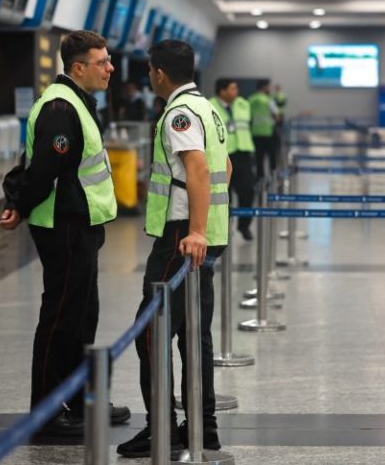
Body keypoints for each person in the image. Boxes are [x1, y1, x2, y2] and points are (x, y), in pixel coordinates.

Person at [0, 30, 130, 435]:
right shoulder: (60, 107)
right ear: (78, 67)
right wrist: (19, 204)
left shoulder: (78, 102)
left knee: (82, 315)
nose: (110, 68)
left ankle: (82, 398)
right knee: (60, 317)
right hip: (65, 225)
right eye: (102, 62)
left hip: (83, 222)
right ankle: (47, 412)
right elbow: (43, 170)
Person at [116, 39, 231, 458]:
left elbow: (198, 169)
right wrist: (208, 229)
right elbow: (226, 167)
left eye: (150, 71)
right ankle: (205, 424)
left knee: (152, 331)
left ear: (159, 73)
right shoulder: (209, 108)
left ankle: (162, 427)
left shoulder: (179, 113)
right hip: (207, 234)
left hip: (182, 237)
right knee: (194, 334)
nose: (149, 77)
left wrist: (195, 230)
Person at [209, 78, 256, 240]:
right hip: (221, 156)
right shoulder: (209, 106)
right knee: (222, 194)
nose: (236, 92)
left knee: (248, 191)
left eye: (236, 88)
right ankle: (222, 229)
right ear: (222, 91)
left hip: (243, 154)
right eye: (232, 89)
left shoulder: (244, 104)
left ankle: (244, 226)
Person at [249, 79, 280, 180]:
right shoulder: (268, 100)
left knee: (259, 158)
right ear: (264, 87)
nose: (269, 89)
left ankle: (260, 178)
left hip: (255, 133)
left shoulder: (250, 99)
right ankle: (273, 177)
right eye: (268, 87)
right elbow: (277, 116)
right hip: (268, 133)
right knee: (272, 157)